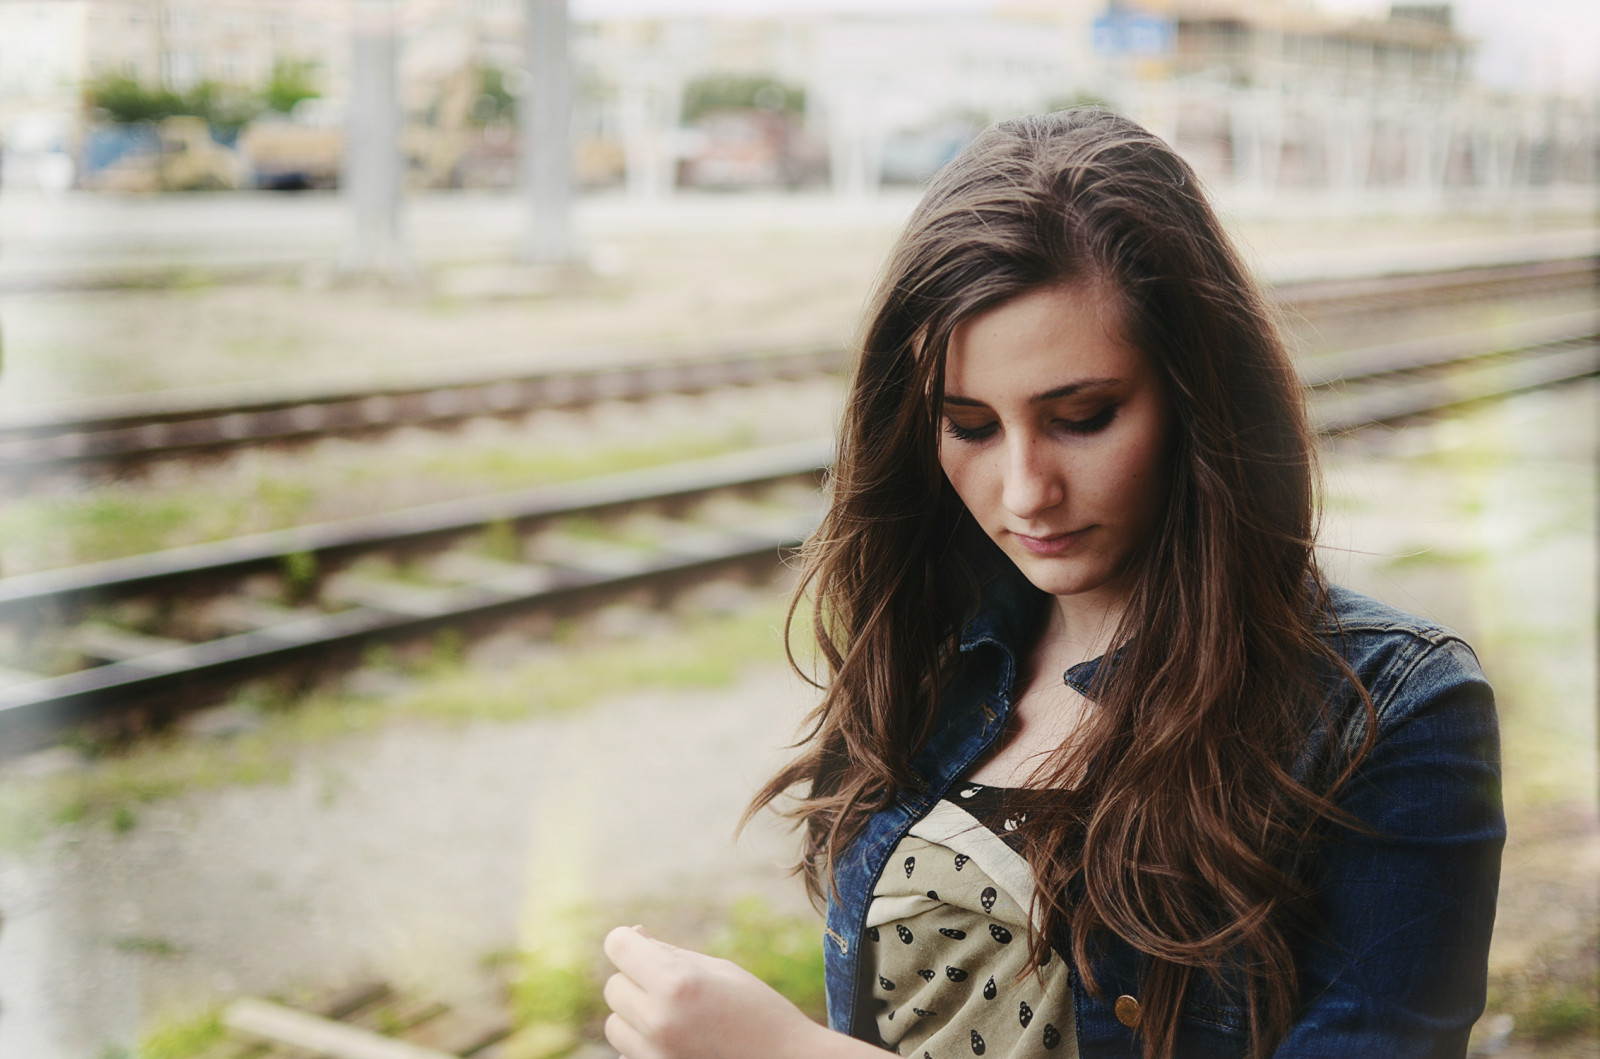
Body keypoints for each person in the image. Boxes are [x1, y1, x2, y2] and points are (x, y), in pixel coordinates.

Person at [601, 108, 1504, 1059]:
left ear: (1198, 397)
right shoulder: (935, 654)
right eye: (970, 426)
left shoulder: (1390, 711)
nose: (1026, 490)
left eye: (1082, 416)